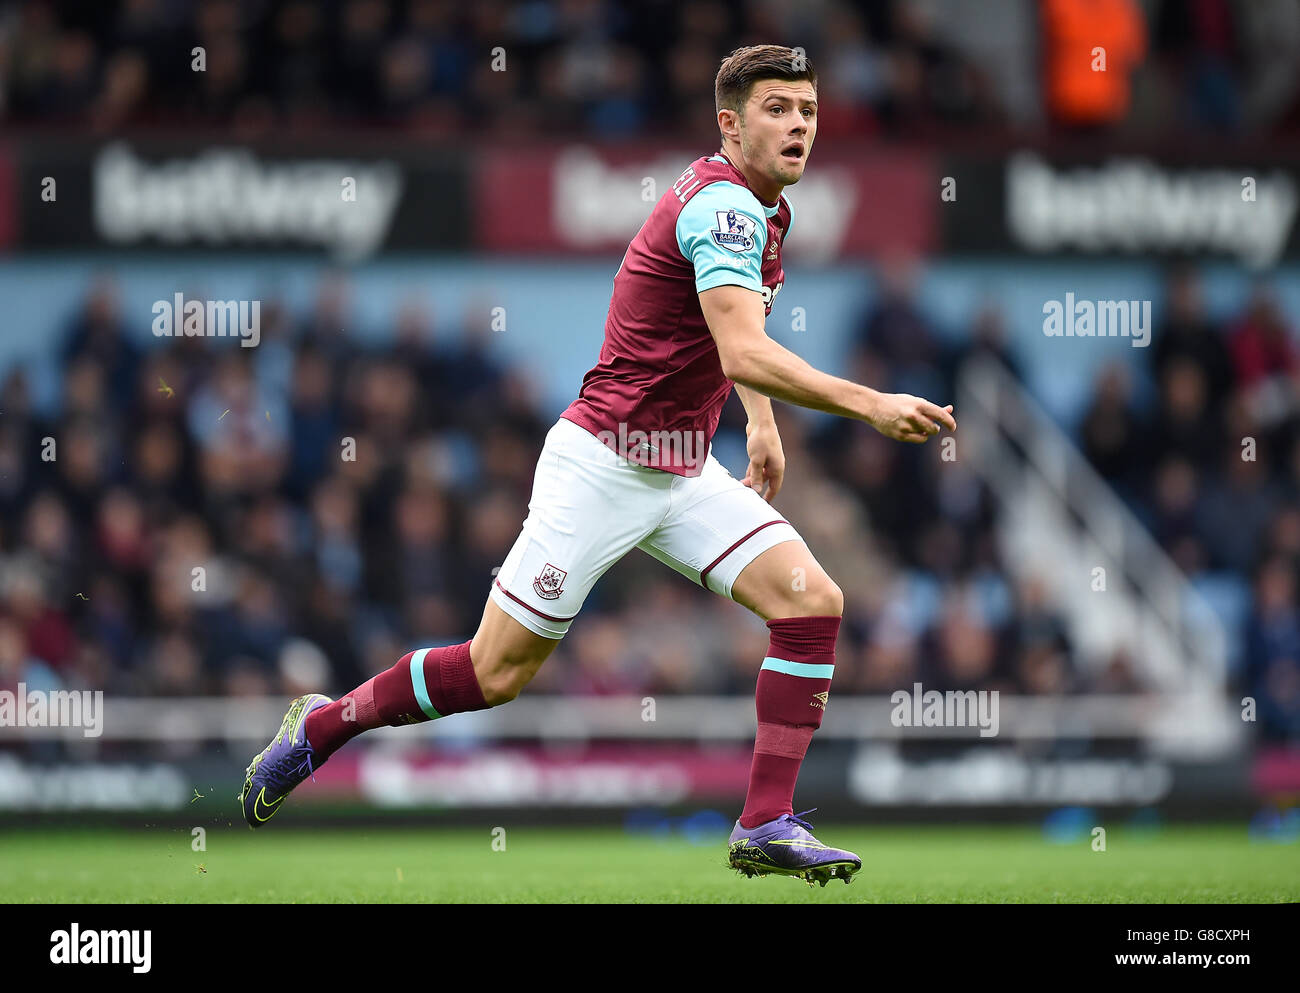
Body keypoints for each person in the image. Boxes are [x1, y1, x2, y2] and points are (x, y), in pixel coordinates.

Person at [239, 44, 956, 887]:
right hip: (604, 464)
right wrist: (869, 403)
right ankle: (323, 726)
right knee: (493, 672)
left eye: (807, 110)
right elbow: (743, 346)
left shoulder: (762, 210)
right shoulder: (723, 209)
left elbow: (736, 340)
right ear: (730, 123)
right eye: (776, 109)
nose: (799, 124)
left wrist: (760, 423)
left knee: (811, 603)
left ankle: (765, 819)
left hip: (682, 470)